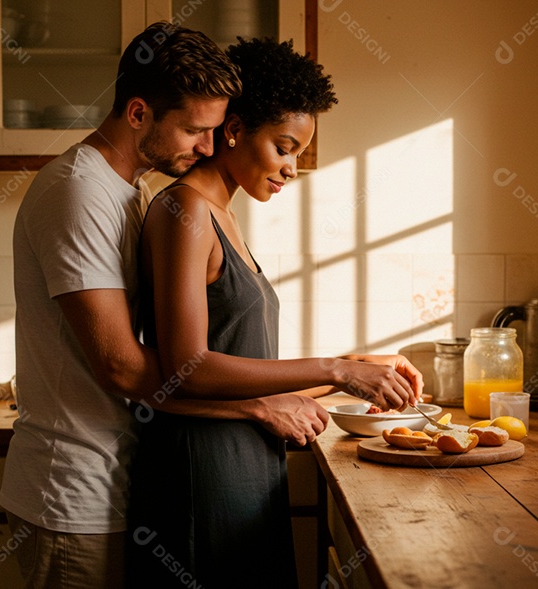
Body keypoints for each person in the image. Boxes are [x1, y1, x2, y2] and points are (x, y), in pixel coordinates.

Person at [1, 23, 417, 589]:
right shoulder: (81, 192)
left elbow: (199, 361)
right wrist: (299, 387)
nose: (206, 144)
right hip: (73, 490)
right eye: (197, 129)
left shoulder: (132, 194)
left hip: (118, 477)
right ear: (139, 113)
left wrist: (342, 369)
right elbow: (134, 366)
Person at [128, 38, 421, 588]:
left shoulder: (221, 215)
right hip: (201, 472)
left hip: (245, 466)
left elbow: (245, 366)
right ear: (234, 129)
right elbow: (189, 366)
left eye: (298, 155)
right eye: (284, 147)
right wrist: (337, 369)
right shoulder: (182, 209)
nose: (291, 168)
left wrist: (360, 366)